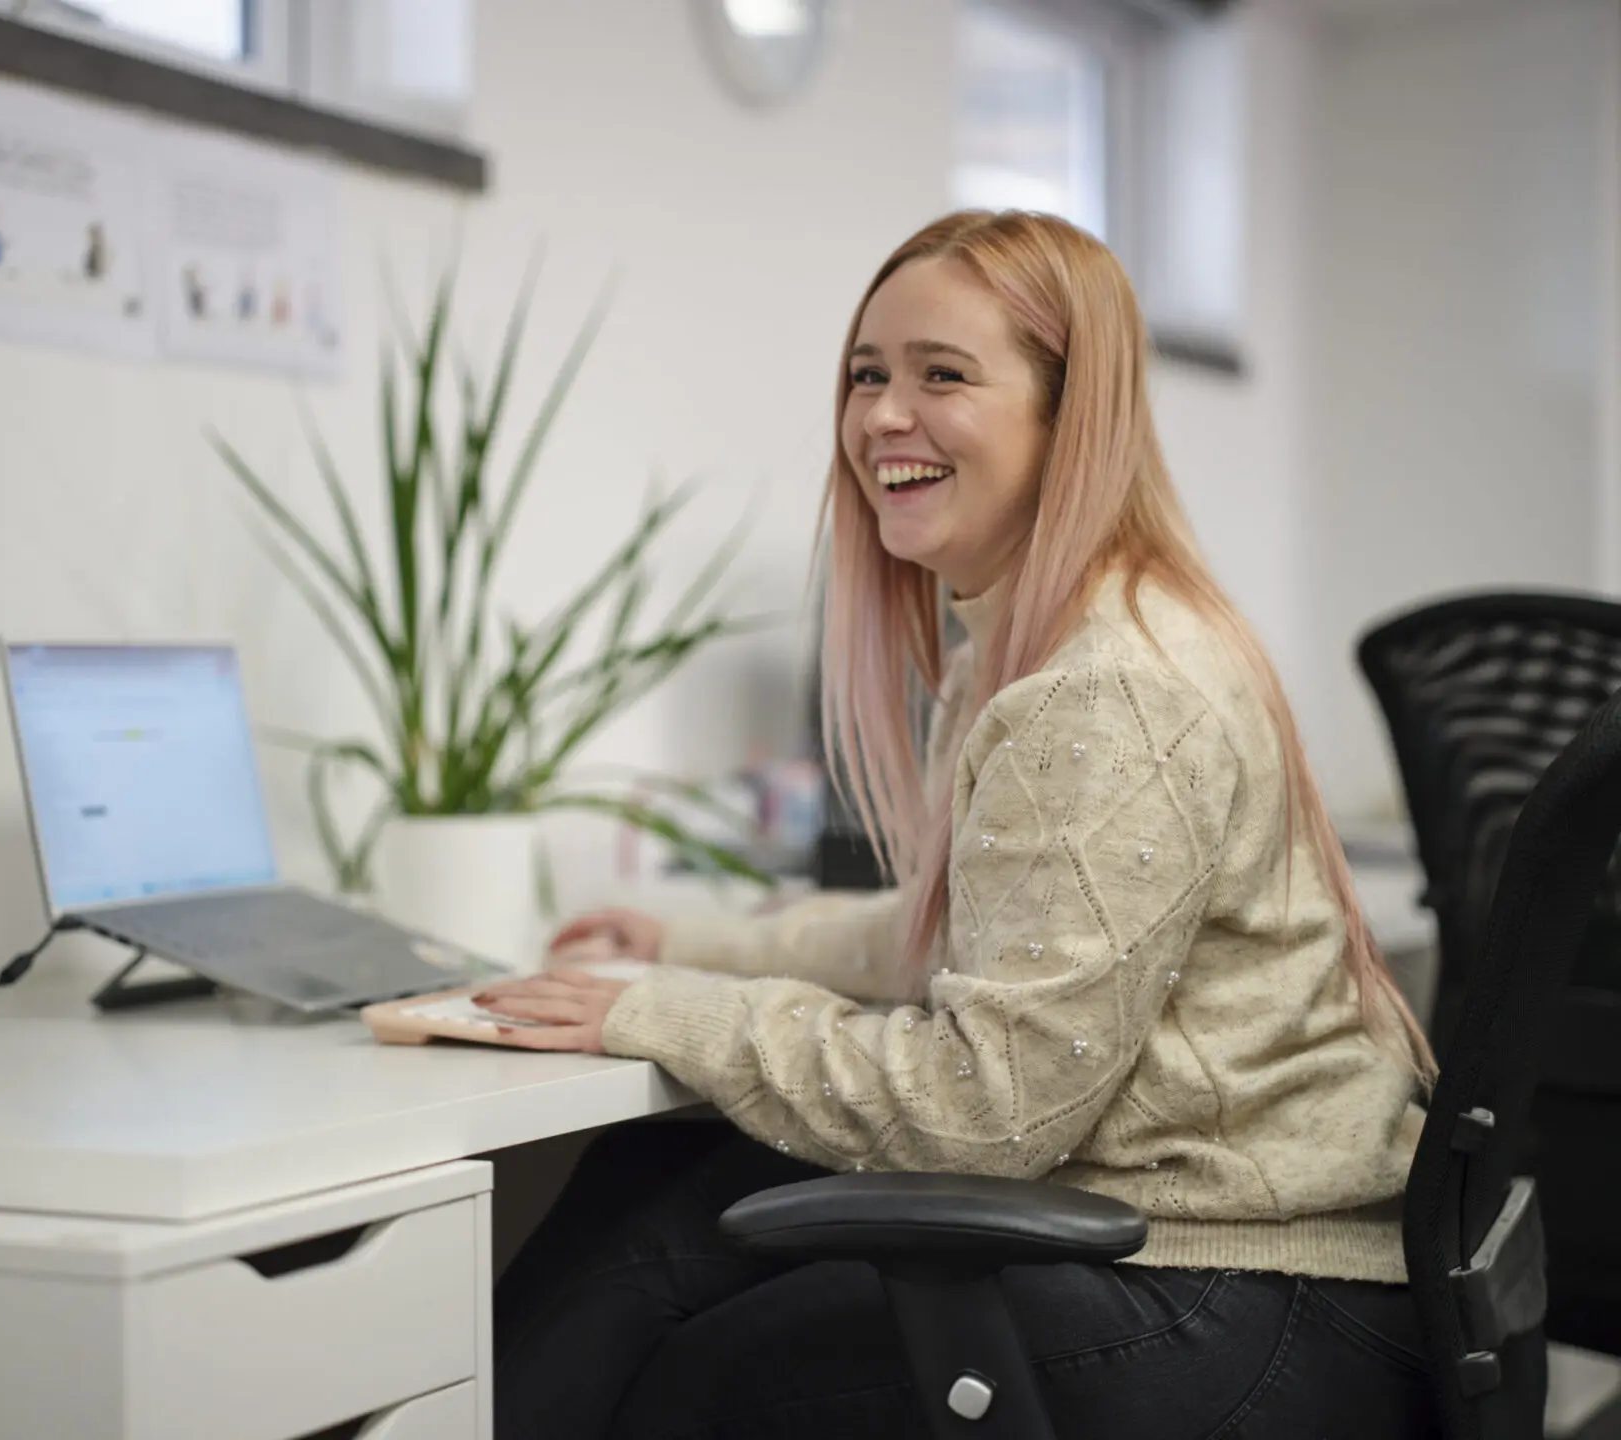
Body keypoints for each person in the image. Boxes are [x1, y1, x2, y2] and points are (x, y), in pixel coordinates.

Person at [472, 210, 1440, 1440]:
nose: (882, 414)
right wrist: (682, 945)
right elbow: (959, 938)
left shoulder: (1105, 692)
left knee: (690, 1366)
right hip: (1205, 1253)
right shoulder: (1029, 645)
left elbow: (990, 1114)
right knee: (651, 1195)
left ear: (1065, 414)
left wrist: (659, 1012)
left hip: (1247, 1297)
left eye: (943, 375)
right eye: (867, 374)